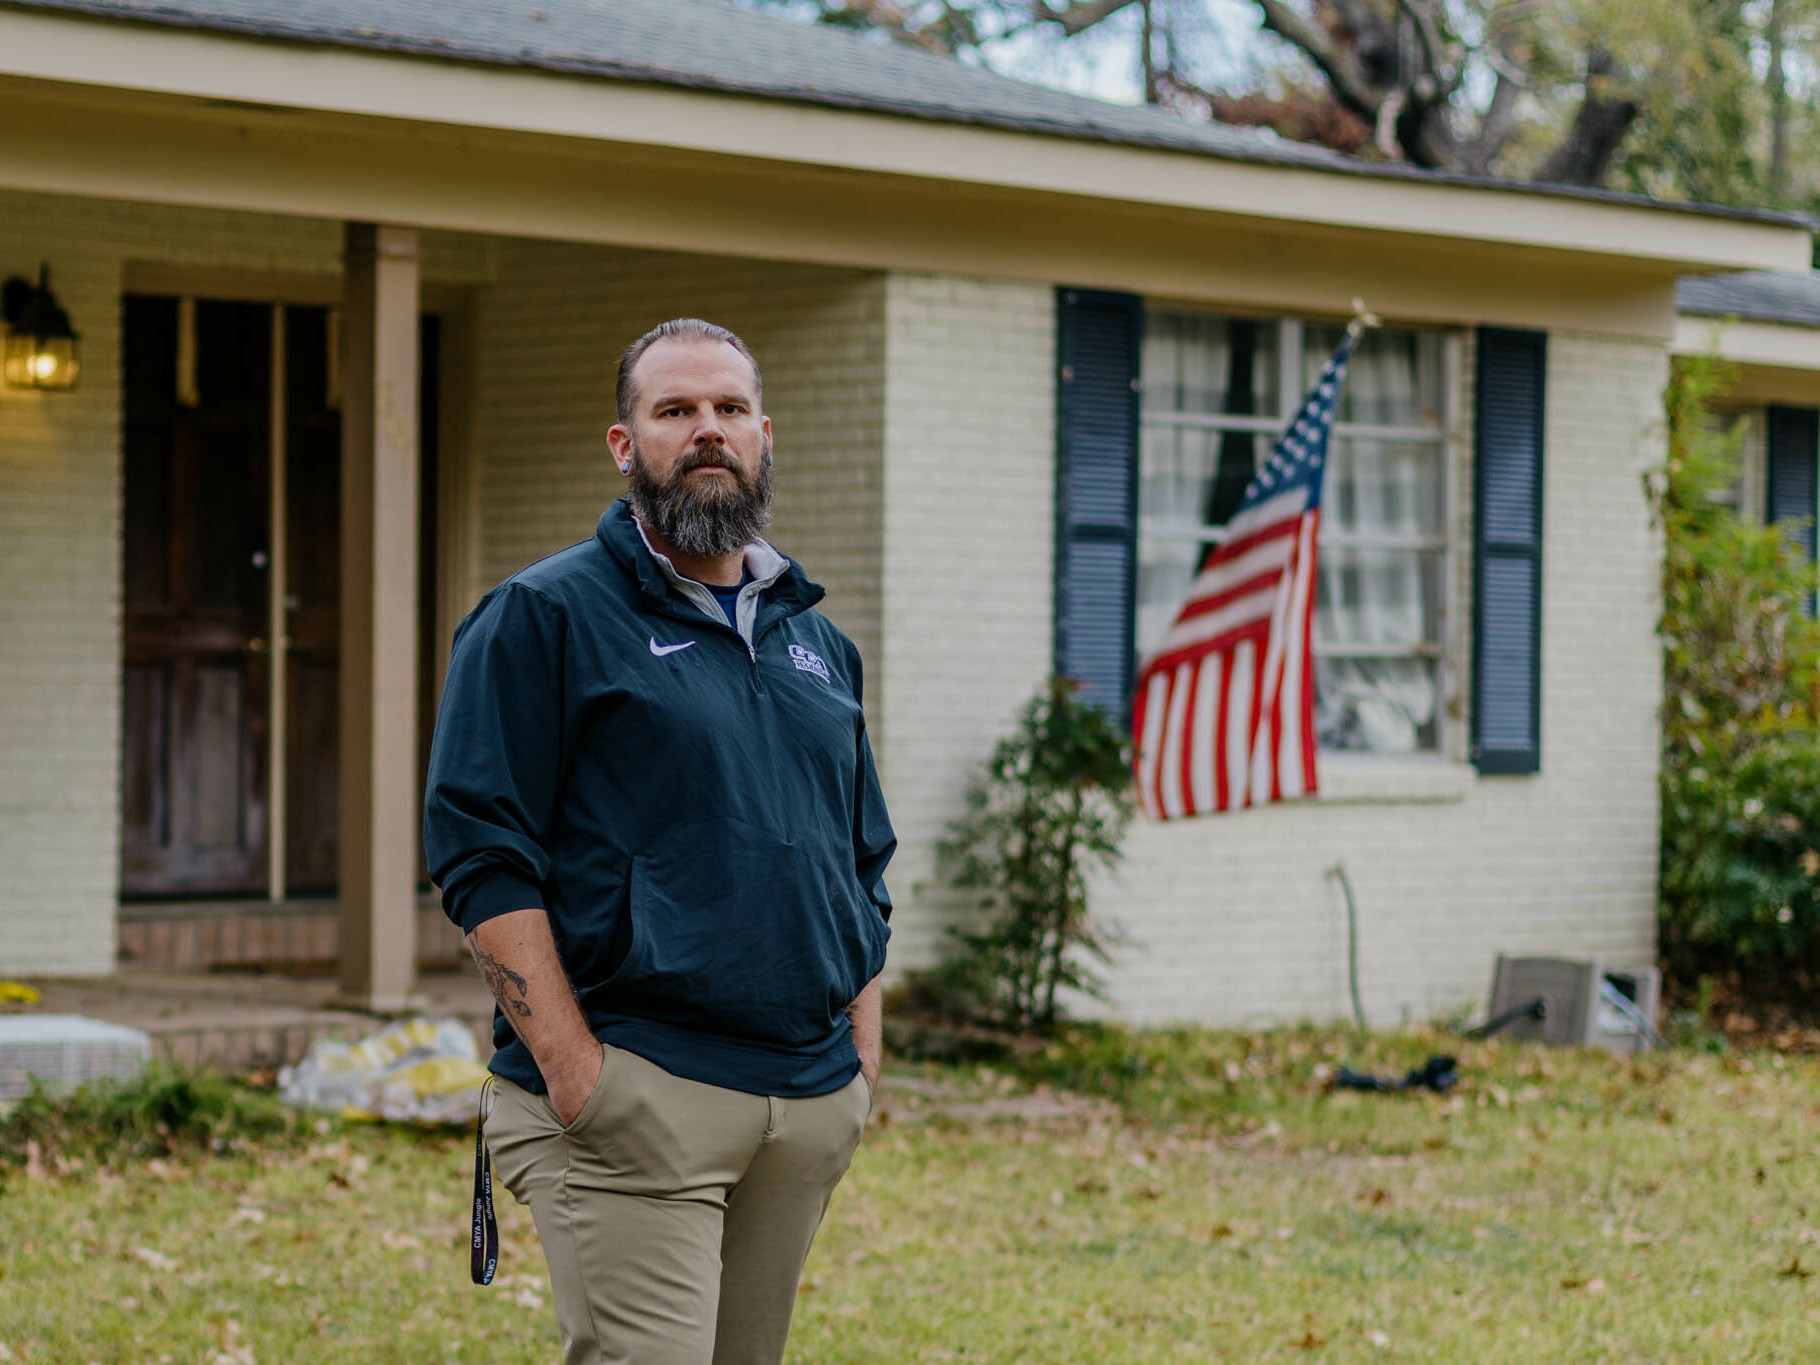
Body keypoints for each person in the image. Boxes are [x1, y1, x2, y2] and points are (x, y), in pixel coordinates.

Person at [423, 318, 894, 1365]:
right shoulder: (541, 617)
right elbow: (477, 848)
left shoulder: (817, 643)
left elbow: (859, 861)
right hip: (637, 1092)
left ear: (764, 434)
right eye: (674, 410)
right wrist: (572, 1067)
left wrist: (859, 1057)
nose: (706, 430)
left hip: (805, 1097)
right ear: (624, 444)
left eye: (728, 409)